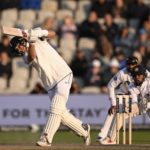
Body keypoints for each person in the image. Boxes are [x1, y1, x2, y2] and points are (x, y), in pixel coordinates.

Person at [9, 27, 91, 147]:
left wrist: (37, 34)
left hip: (63, 74)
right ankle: (84, 130)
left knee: (55, 106)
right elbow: (31, 57)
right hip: (50, 84)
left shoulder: (36, 35)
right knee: (61, 114)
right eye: (17, 50)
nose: (19, 50)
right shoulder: (25, 55)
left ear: (21, 42)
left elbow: (53, 33)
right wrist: (31, 42)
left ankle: (46, 138)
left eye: (18, 47)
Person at [96, 57, 150, 144]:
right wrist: (113, 103)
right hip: (124, 95)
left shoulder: (145, 73)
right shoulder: (123, 74)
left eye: (133, 64)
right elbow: (111, 85)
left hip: (144, 97)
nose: (130, 66)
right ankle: (106, 136)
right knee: (119, 112)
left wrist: (146, 104)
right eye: (129, 64)